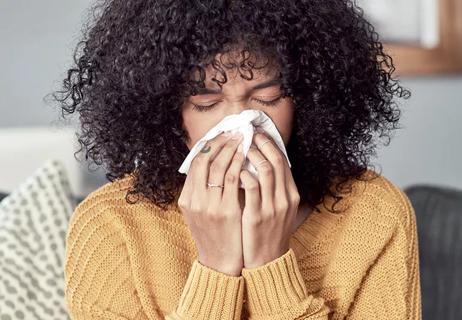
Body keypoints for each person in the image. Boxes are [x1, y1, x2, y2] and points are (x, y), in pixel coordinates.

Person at [54, 0, 422, 319]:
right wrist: (216, 270)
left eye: (268, 97)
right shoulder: (111, 226)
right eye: (207, 102)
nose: (240, 124)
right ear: (167, 111)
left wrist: (270, 265)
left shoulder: (375, 213)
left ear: (306, 98)